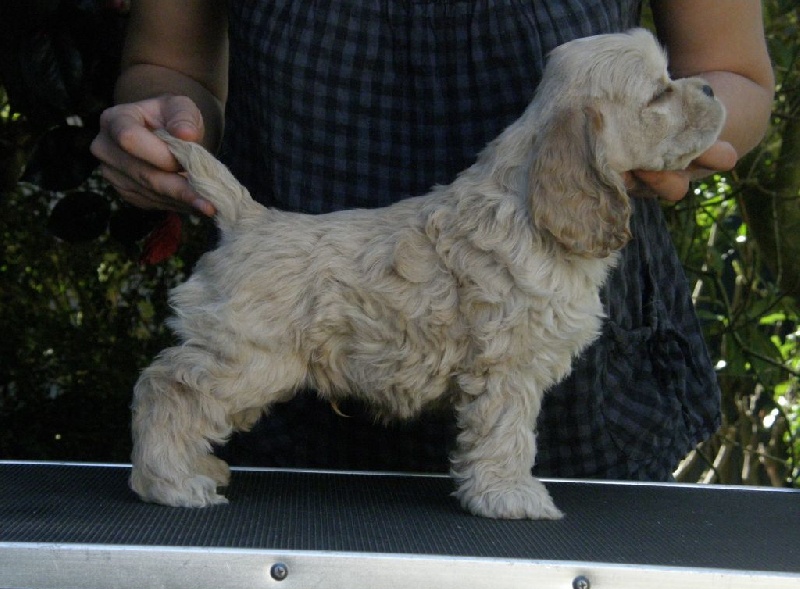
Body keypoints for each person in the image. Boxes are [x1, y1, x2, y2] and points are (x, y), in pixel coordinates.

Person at [91, 0, 774, 480]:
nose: (690, 96)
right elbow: (168, 62)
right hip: (291, 393)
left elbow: (735, 74)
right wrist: (169, 129)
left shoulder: (540, 223)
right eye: (658, 96)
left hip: (596, 420)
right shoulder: (563, 156)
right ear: (582, 143)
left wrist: (686, 145)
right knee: (242, 374)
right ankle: (171, 442)